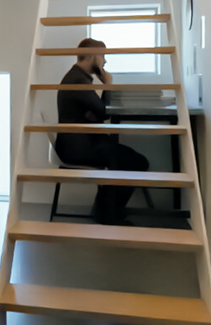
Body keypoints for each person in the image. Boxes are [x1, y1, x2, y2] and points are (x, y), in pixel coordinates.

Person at [53, 37, 149, 225]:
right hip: (77, 148)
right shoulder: (77, 81)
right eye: (102, 56)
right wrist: (108, 84)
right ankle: (108, 216)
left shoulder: (78, 77)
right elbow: (104, 111)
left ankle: (105, 212)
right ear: (92, 56)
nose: (105, 61)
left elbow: (98, 112)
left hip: (82, 143)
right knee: (136, 162)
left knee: (129, 159)